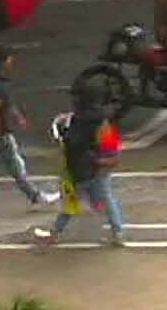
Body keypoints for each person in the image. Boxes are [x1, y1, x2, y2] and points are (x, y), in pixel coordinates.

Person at [0, 46, 57, 214]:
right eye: (8, 58)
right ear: (1, 62)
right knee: (11, 165)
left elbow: (3, 103)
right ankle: (35, 197)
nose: (11, 61)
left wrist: (17, 116)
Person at [32, 80, 125, 246]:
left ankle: (56, 234)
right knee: (105, 199)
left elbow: (72, 144)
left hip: (82, 168)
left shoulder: (79, 121)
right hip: (99, 167)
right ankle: (118, 232)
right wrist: (108, 160)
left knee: (70, 203)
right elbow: (111, 146)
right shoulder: (102, 120)